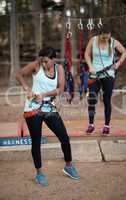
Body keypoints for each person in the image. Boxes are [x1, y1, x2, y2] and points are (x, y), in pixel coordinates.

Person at [16, 47, 80, 187]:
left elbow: (60, 89)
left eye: (46, 61)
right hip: (33, 109)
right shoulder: (36, 65)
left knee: (64, 137)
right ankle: (39, 173)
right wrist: (27, 89)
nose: (43, 64)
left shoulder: (60, 69)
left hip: (49, 108)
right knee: (36, 141)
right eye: (42, 61)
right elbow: (19, 74)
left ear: (53, 59)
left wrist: (43, 95)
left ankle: (68, 166)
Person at [84, 24, 126, 135]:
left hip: (108, 74)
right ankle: (91, 125)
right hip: (95, 74)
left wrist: (118, 64)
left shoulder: (113, 42)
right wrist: (90, 66)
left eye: (108, 37)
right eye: (104, 37)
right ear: (100, 35)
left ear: (110, 35)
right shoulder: (93, 40)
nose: (106, 39)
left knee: (107, 100)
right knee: (92, 99)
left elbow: (124, 53)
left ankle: (106, 125)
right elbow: (86, 54)